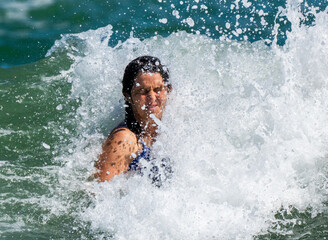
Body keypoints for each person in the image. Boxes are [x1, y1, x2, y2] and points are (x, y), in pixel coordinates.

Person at [95, 56, 171, 182]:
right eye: (143, 91)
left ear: (168, 90)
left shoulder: (176, 127)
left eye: (158, 90)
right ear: (128, 96)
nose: (152, 97)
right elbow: (100, 195)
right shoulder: (124, 140)